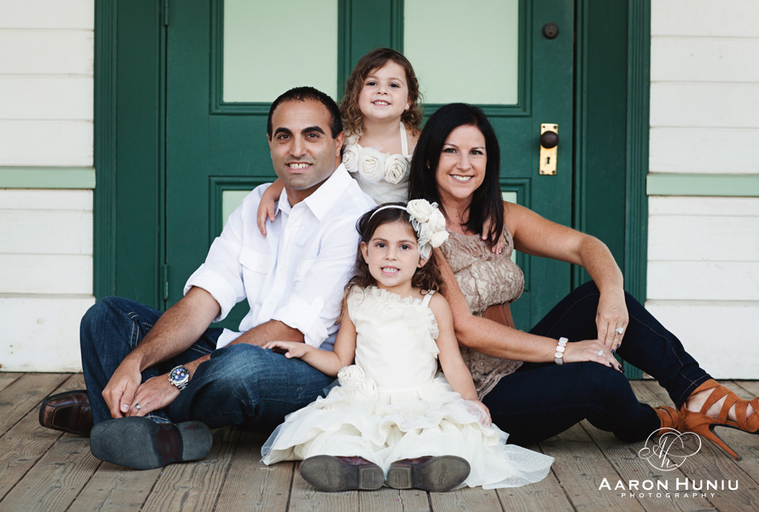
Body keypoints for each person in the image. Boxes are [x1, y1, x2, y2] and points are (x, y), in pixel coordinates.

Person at [38, 86, 377, 470]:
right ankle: (159, 429)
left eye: (311, 135)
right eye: (284, 136)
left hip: (305, 373)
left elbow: (290, 332)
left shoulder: (354, 219)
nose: (296, 149)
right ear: (270, 143)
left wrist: (177, 378)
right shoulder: (258, 204)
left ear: (339, 142)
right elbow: (202, 301)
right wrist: (135, 360)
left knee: (240, 370)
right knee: (108, 318)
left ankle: (114, 415)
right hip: (237, 352)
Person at [408, 102, 758, 460]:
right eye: (451, 150)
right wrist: (566, 351)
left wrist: (611, 292)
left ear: (488, 161)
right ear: (430, 159)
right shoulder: (419, 231)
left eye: (475, 152)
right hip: (476, 393)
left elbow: (584, 245)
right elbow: (464, 328)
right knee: (598, 380)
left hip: (515, 365)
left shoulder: (501, 216)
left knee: (593, 296)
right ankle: (654, 420)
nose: (464, 164)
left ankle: (700, 392)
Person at [259, 200, 554, 492]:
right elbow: (340, 360)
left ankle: (418, 467)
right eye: (380, 245)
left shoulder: (432, 303)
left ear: (422, 256)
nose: (390, 256)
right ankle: (353, 467)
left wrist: (470, 400)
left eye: (404, 247)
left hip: (421, 398)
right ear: (365, 251)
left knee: (435, 434)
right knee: (346, 432)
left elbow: (451, 361)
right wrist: (306, 350)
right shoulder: (356, 298)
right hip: (367, 400)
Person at [255, 48, 421, 235]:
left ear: (408, 100)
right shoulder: (345, 137)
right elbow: (304, 167)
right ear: (357, 93)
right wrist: (271, 193)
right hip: (347, 226)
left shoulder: (418, 142)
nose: (382, 91)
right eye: (372, 83)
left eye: (394, 85)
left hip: (399, 231)